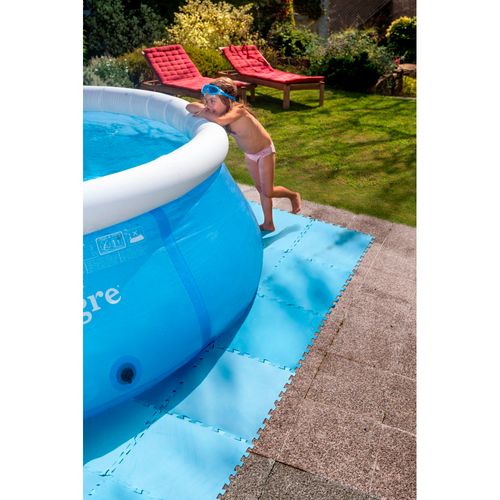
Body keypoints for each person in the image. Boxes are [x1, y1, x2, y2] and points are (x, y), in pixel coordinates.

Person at [186, 77, 301, 232]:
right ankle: (268, 223)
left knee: (268, 191)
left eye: (212, 101)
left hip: (265, 152)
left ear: (227, 100)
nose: (208, 105)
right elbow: (189, 106)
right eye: (206, 101)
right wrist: (204, 109)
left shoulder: (238, 111)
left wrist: (204, 112)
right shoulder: (214, 111)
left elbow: (220, 121)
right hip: (250, 154)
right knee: (261, 189)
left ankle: (293, 195)